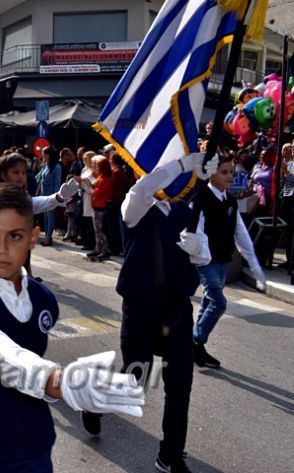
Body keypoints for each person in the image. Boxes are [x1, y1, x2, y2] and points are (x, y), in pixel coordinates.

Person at [0, 183, 144, 473]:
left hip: (29, 441)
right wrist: (56, 381)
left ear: (32, 239)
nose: (1, 249)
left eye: (15, 236)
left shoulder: (44, 301)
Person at [81, 152, 218, 473]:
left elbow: (205, 255)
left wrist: (198, 251)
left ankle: (170, 454)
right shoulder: (137, 205)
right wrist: (183, 163)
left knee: (180, 385)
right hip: (141, 308)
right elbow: (145, 188)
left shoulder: (190, 211)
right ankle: (94, 401)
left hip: (177, 309)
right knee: (136, 380)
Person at [191, 156, 266, 369]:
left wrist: (254, 264)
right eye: (224, 172)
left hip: (223, 259)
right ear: (211, 173)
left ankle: (197, 346)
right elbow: (195, 229)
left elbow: (240, 232)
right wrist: (202, 257)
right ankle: (196, 341)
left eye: (231, 172)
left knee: (208, 302)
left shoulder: (230, 201)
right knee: (218, 303)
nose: (230, 176)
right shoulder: (201, 197)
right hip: (207, 261)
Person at [87, 155, 113, 261]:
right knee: (97, 230)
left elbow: (97, 193)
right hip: (97, 206)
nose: (96, 168)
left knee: (100, 230)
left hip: (100, 207)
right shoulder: (101, 177)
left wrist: (88, 187)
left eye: (98, 166)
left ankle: (106, 249)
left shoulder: (105, 179)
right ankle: (98, 248)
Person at [36, 147, 62, 246]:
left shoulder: (57, 167)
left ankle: (48, 237)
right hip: (43, 194)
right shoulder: (46, 166)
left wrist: (55, 197)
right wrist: (38, 191)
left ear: (48, 155)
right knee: (46, 216)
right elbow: (40, 179)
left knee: (50, 216)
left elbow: (57, 183)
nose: (42, 155)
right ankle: (47, 236)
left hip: (51, 195)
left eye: (43, 154)